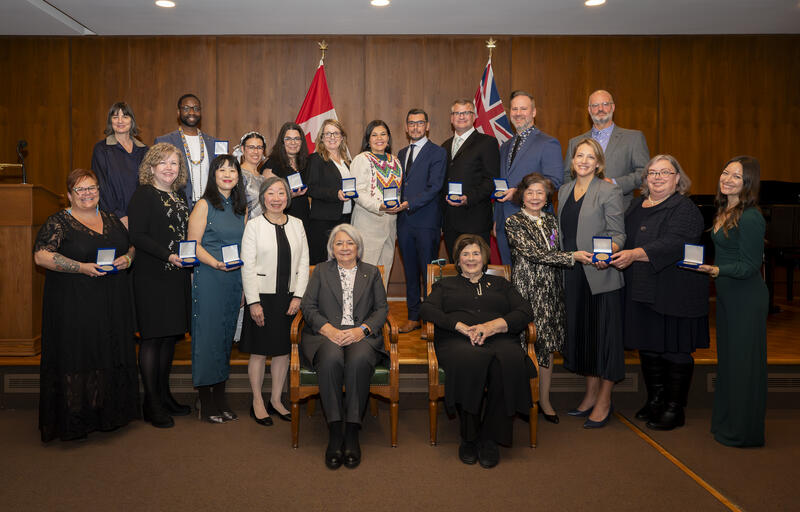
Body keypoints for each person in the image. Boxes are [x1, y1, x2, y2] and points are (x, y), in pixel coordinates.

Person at [33, 168, 138, 442]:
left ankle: (107, 413)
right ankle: (76, 417)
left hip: (112, 301)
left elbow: (131, 248)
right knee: (79, 354)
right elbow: (42, 257)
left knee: (106, 351)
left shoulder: (112, 219)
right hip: (74, 302)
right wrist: (80, 267)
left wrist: (127, 260)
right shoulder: (59, 222)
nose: (87, 193)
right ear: (69, 195)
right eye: (80, 189)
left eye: (92, 188)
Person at [610, 155, 709, 430]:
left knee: (675, 348)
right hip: (642, 289)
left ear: (678, 178)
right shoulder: (635, 205)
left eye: (665, 172)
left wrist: (634, 254)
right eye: (652, 172)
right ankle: (656, 400)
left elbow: (675, 243)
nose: (657, 177)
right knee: (650, 345)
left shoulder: (684, 208)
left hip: (675, 291)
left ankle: (675, 408)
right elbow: (622, 236)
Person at [420, 234, 535, 468]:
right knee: (470, 359)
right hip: (457, 341)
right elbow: (427, 309)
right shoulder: (445, 285)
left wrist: (492, 326)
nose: (471, 258)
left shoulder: (502, 285)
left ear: (484, 257)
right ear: (458, 260)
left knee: (508, 360)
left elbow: (525, 311)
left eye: (475, 253)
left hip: (499, 337)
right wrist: (460, 326)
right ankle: (469, 437)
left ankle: (490, 438)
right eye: (465, 254)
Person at [300, 224, 389, 470]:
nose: (345, 247)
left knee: (359, 361)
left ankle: (352, 431)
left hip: (361, 335)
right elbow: (308, 307)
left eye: (350, 243)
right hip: (326, 334)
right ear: (332, 249)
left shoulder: (371, 273)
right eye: (339, 243)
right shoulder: (321, 271)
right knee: (330, 360)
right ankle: (335, 430)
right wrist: (328, 329)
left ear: (358, 247)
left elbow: (381, 309)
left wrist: (362, 331)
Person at [697, 156, 767, 447]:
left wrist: (716, 270)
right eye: (725, 173)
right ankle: (726, 423)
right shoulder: (725, 209)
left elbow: (750, 266)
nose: (727, 179)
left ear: (747, 182)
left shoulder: (750, 216)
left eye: (736, 176)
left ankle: (744, 431)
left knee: (743, 366)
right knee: (728, 364)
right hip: (726, 296)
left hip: (746, 298)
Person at [558, 138, 625, 428]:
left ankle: (605, 400)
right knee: (584, 336)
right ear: (572, 161)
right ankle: (589, 395)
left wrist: (605, 254)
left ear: (598, 163)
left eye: (590, 156)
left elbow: (618, 234)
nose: (583, 160)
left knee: (605, 339)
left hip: (600, 274)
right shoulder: (563, 191)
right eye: (579, 155)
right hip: (573, 273)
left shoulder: (609, 190)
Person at [127, 143, 194, 429]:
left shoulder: (179, 196)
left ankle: (164, 395)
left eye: (174, 163)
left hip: (175, 276)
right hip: (151, 276)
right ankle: (151, 402)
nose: (169, 168)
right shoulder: (143, 194)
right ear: (151, 167)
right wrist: (168, 255)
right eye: (163, 163)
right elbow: (137, 235)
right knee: (153, 339)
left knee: (169, 338)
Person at [505, 173, 575, 424]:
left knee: (547, 347)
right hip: (527, 290)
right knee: (524, 344)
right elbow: (533, 254)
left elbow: (553, 249)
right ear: (522, 195)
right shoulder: (513, 221)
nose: (535, 197)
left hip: (552, 291)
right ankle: (521, 399)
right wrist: (572, 257)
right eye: (530, 192)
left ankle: (544, 400)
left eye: (540, 192)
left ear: (547, 197)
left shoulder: (552, 222)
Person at [240, 177, 309, 426]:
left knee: (282, 352)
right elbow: (246, 267)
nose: (277, 198)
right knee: (259, 352)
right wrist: (253, 302)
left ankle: (277, 400)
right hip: (262, 297)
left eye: (281, 193)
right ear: (263, 198)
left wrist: (299, 295)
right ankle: (257, 401)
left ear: (288, 198)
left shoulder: (298, 224)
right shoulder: (254, 226)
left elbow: (303, 263)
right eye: (271, 193)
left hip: (289, 298)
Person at [187, 155, 247, 423]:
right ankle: (206, 400)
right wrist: (216, 264)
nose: (227, 174)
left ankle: (220, 397)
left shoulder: (240, 207)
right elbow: (193, 245)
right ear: (214, 175)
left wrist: (245, 284)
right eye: (221, 170)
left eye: (232, 170)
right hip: (210, 276)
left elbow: (245, 248)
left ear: (238, 176)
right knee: (207, 337)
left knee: (225, 339)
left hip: (234, 280)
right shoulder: (203, 205)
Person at [494, 91, 563, 265]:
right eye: (514, 109)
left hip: (533, 222)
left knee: (531, 280)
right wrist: (496, 220)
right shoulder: (505, 147)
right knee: (510, 277)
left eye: (523, 109)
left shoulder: (548, 143)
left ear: (533, 112)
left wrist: (518, 192)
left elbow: (554, 181)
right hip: (504, 223)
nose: (518, 113)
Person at [396, 108, 447, 333]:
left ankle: (430, 320)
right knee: (410, 272)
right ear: (406, 127)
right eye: (411, 123)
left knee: (428, 273)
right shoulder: (400, 153)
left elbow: (435, 187)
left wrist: (409, 204)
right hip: (404, 223)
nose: (415, 127)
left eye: (420, 123)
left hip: (426, 222)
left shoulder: (438, 153)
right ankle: (413, 316)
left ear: (427, 126)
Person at [562, 89, 650, 209]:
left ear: (613, 107)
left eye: (605, 104)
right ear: (589, 110)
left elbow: (644, 173)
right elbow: (567, 176)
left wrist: (614, 183)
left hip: (619, 208)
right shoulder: (575, 142)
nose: (600, 109)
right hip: (582, 209)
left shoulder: (633, 138)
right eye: (595, 105)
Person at [441, 99, 500, 261]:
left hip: (475, 220)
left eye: (466, 112)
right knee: (456, 271)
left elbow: (491, 180)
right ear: (451, 118)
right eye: (457, 113)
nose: (461, 116)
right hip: (450, 222)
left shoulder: (487, 143)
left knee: (478, 271)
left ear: (473, 116)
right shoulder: (444, 146)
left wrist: (468, 198)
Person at [350, 120, 404, 286]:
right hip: (367, 225)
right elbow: (356, 192)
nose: (379, 138)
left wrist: (399, 205)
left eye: (383, 134)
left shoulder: (395, 160)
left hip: (390, 225)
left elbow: (398, 191)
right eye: (374, 135)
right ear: (368, 139)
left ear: (388, 138)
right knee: (364, 274)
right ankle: (361, 311)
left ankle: (380, 310)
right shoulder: (361, 159)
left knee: (384, 272)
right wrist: (379, 206)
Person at [155, 93, 222, 208]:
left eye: (196, 108)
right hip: (175, 207)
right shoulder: (164, 141)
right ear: (178, 112)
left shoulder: (215, 143)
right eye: (186, 108)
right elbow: (156, 179)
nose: (192, 112)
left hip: (210, 207)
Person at [91, 101, 148, 228]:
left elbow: (148, 186)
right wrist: (119, 215)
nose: (120, 121)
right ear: (110, 121)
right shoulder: (102, 149)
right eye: (115, 117)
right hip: (112, 217)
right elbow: (101, 185)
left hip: (141, 216)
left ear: (131, 121)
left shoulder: (144, 150)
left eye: (125, 116)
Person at [306, 119, 353, 265]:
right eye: (328, 134)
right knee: (321, 265)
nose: (332, 137)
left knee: (341, 263)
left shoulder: (347, 162)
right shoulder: (316, 159)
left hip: (345, 218)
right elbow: (311, 188)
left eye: (336, 133)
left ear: (342, 137)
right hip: (323, 221)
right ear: (321, 138)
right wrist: (335, 194)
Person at [262, 122, 310, 230]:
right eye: (288, 139)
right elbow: (268, 198)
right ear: (282, 142)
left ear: (301, 142)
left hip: (304, 219)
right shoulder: (272, 164)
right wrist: (290, 195)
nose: (293, 142)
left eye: (297, 139)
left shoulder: (306, 163)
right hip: (281, 220)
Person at [234, 130, 267, 219]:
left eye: (259, 147)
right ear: (242, 149)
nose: (256, 151)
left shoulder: (263, 179)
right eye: (251, 147)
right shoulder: (237, 175)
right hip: (244, 228)